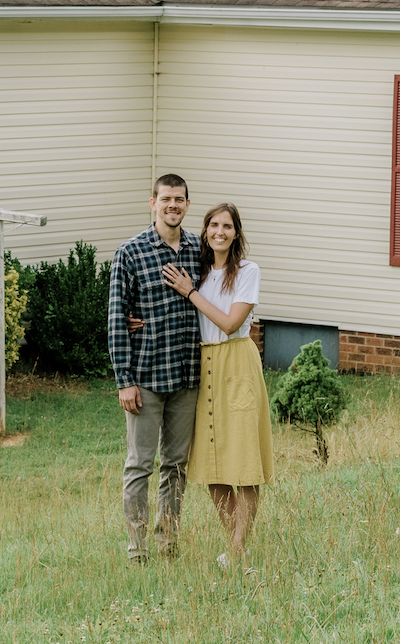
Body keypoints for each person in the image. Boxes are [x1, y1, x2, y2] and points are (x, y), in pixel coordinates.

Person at [161, 202, 274, 559]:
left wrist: (189, 293)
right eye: (213, 226)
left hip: (236, 362)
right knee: (212, 464)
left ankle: (239, 550)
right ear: (205, 231)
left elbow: (229, 323)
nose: (220, 232)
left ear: (236, 233)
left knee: (244, 461)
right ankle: (235, 547)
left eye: (227, 226)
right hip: (204, 363)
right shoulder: (199, 271)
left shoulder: (246, 271)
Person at [108, 174, 201, 565]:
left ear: (187, 204)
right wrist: (124, 381)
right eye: (166, 199)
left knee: (176, 465)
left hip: (187, 376)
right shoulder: (130, 251)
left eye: (179, 199)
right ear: (153, 203)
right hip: (146, 377)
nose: (172, 205)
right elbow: (116, 319)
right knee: (140, 465)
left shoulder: (199, 248)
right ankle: (137, 549)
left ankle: (168, 543)